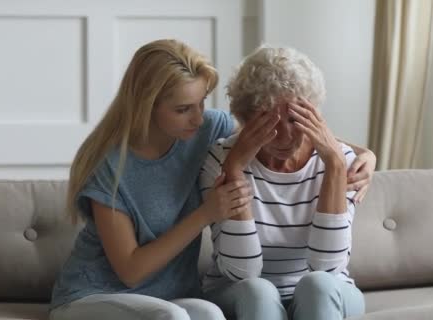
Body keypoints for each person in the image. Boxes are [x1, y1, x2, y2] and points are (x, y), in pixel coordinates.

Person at [49, 39, 374, 320]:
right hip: (96, 295)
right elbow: (131, 271)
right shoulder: (110, 167)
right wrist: (206, 213)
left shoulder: (205, 128)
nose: (199, 115)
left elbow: (279, 134)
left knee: (211, 314)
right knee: (173, 316)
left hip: (171, 296)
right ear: (145, 106)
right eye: (183, 108)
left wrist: (363, 154)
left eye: (203, 101)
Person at [200, 45, 372, 320]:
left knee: (318, 284)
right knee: (257, 291)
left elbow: (327, 267)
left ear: (313, 114)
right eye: (270, 121)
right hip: (238, 293)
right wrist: (235, 168)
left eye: (295, 119)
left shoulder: (340, 161)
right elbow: (242, 272)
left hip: (327, 292)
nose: (284, 136)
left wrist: (336, 166)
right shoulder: (220, 158)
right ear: (246, 118)